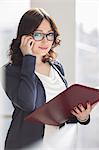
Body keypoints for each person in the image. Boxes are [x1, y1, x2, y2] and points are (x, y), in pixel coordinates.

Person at [2, 8, 93, 149]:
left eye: (49, 35)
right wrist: (29, 58)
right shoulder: (10, 71)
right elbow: (28, 104)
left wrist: (82, 117)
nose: (45, 41)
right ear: (25, 37)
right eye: (38, 34)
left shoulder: (56, 67)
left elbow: (61, 112)